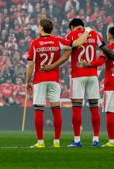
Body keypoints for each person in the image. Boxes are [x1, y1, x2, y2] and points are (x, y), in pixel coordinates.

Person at [59, 18, 104, 147]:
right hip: (92, 75)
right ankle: (96, 139)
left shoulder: (71, 35)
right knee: (94, 108)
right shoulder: (95, 34)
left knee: (77, 108)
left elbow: (66, 51)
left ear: (72, 27)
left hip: (78, 75)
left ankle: (77, 140)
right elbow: (104, 48)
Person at [26, 17, 70, 148]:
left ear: (41, 28)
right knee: (56, 110)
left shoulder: (35, 43)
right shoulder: (58, 40)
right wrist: (57, 63)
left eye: (39, 26)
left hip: (40, 80)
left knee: (39, 110)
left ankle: (40, 142)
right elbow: (71, 47)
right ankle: (56, 142)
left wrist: (27, 81)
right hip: (54, 79)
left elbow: (30, 64)